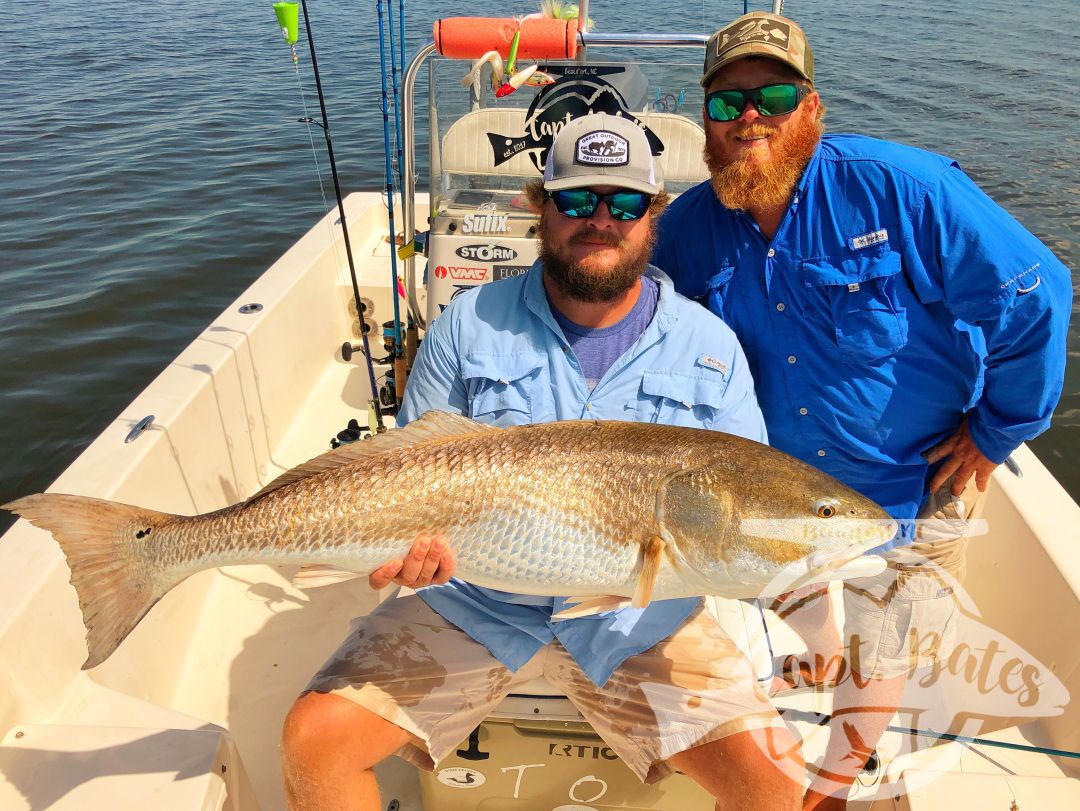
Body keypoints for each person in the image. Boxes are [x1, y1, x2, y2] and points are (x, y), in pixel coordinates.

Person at [281, 112, 805, 811]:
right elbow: (404, 471)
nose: (600, 220)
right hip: (474, 603)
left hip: (636, 625)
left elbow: (750, 509)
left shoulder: (710, 349)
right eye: (576, 200)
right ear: (538, 204)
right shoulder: (466, 327)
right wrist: (407, 556)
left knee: (780, 784)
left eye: (624, 203)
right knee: (314, 740)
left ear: (653, 216)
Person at [652, 11, 1072, 810]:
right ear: (703, 119)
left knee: (880, 644)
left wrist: (995, 431)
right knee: (798, 605)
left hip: (913, 478)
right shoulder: (686, 232)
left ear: (811, 109)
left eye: (774, 96)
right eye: (727, 102)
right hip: (773, 487)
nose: (750, 118)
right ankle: (814, 652)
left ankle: (834, 786)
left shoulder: (906, 189)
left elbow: (1036, 292)